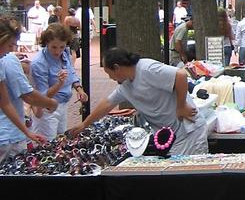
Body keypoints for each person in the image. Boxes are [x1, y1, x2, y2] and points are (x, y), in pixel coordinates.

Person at [70, 47, 208, 156]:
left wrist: (181, 105)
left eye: (109, 73)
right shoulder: (124, 86)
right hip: (172, 136)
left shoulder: (147, 68)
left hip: (189, 132)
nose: (110, 78)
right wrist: (84, 125)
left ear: (117, 67)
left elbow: (180, 75)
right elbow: (107, 103)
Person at [0, 16, 58, 160]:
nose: (11, 50)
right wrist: (50, 103)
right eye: (9, 45)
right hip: (7, 137)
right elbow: (24, 96)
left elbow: (5, 103)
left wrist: (27, 132)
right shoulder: (7, 60)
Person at [29, 24, 88, 139]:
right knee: (47, 143)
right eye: (54, 47)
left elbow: (71, 73)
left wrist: (79, 89)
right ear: (46, 43)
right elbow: (43, 95)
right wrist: (59, 84)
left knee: (61, 139)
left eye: (62, 46)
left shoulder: (65, 53)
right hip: (47, 109)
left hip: (63, 104)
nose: (58, 51)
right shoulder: (39, 62)